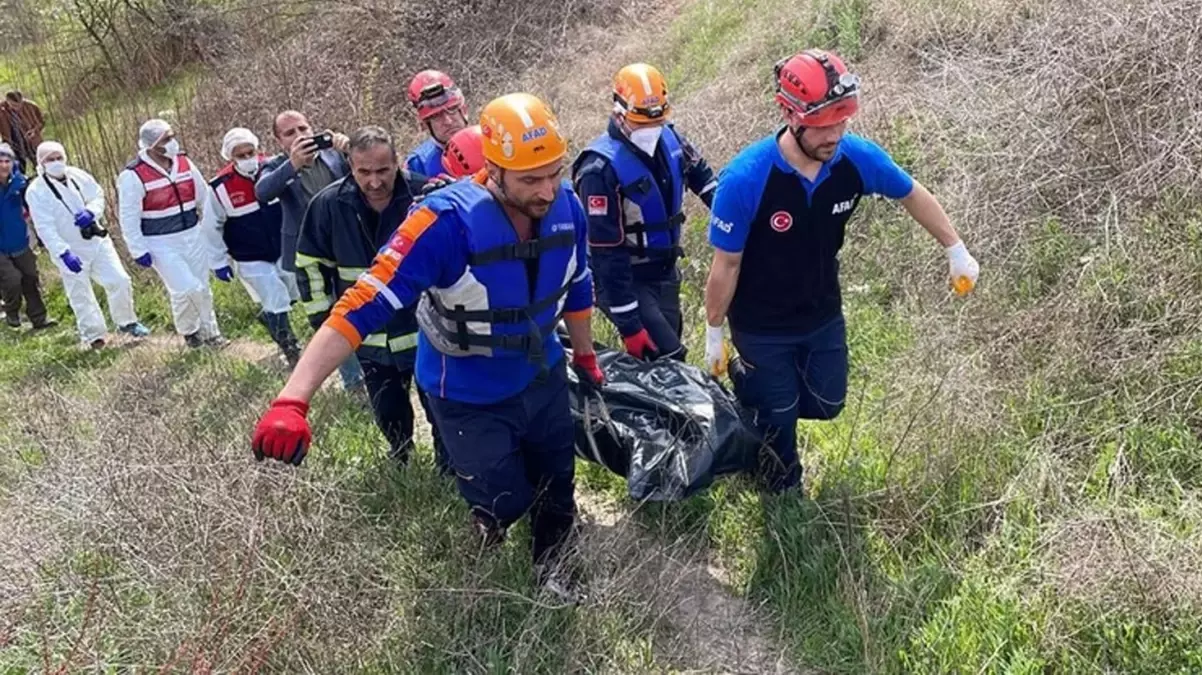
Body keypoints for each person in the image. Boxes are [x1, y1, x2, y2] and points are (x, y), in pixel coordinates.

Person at [250, 93, 605, 601]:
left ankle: (553, 572)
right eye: (531, 179)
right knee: (504, 496)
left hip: (540, 370)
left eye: (553, 172)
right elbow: (363, 301)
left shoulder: (567, 206)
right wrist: (293, 398)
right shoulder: (444, 223)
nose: (547, 190)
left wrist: (587, 356)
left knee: (558, 481)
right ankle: (489, 518)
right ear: (495, 169)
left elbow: (578, 285)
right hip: (467, 388)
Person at [703, 49, 981, 493]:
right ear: (791, 115)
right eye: (823, 124)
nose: (835, 134)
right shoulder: (745, 179)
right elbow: (726, 264)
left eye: (842, 121)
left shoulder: (854, 159)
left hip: (821, 311)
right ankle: (782, 485)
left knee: (828, 402)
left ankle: (756, 392)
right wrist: (715, 333)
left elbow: (911, 193)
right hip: (761, 323)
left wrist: (955, 248)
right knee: (779, 415)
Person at [290, 125, 445, 469]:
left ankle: (448, 466)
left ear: (397, 163)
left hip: (425, 335)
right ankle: (401, 457)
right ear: (350, 165)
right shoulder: (329, 205)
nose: (374, 182)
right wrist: (325, 322)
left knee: (441, 409)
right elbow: (310, 265)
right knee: (388, 410)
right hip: (369, 338)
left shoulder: (425, 196)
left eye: (382, 171)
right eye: (364, 172)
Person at [572, 63, 717, 362]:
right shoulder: (599, 171)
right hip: (623, 278)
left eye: (657, 123)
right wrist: (629, 325)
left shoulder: (672, 140)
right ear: (619, 112)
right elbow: (606, 254)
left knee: (667, 358)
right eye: (641, 124)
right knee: (669, 356)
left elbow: (706, 181)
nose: (650, 131)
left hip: (664, 269)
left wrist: (736, 219)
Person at [257, 110, 364, 390]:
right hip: (308, 254)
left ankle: (373, 364)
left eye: (303, 128)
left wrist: (349, 148)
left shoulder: (332, 155)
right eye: (290, 133)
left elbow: (368, 176)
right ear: (279, 141)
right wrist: (292, 165)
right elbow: (263, 192)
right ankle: (353, 380)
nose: (300, 136)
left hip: (347, 245)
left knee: (359, 304)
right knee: (330, 317)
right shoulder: (276, 166)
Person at [25, 141, 150, 348]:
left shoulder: (78, 175)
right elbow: (44, 226)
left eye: (59, 157)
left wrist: (91, 212)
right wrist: (63, 253)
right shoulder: (36, 191)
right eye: (50, 159)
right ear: (40, 163)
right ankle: (94, 335)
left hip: (96, 240)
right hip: (68, 247)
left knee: (119, 280)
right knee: (80, 293)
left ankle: (127, 322)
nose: (56, 162)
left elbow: (97, 195)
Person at [117, 118, 228, 348]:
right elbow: (128, 217)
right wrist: (138, 249)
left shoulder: (184, 163)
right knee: (186, 288)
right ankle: (189, 330)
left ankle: (210, 333)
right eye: (166, 139)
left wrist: (216, 227)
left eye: (172, 136)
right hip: (160, 241)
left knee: (203, 287)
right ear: (151, 145)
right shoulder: (134, 174)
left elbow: (204, 197)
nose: (172, 142)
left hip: (192, 232)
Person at [204, 127, 302, 366]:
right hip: (249, 255)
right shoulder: (220, 187)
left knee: (292, 293)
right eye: (241, 155)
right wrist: (218, 261)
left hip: (282, 247)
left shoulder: (275, 171)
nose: (248, 159)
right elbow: (211, 225)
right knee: (274, 296)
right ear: (230, 157)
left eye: (251, 152)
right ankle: (290, 347)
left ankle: (269, 319)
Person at [0, 142, 55, 330]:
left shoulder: (22, 185)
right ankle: (12, 310)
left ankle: (39, 319)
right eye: (0, 162)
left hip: (20, 242)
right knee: (12, 279)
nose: (4, 165)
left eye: (7, 161)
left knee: (30, 277)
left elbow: (35, 211)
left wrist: (41, 238)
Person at [403, 70, 469, 177]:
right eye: (437, 116)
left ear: (463, 109)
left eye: (452, 110)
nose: (448, 121)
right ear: (424, 124)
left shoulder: (490, 142)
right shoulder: (418, 165)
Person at [0, 90, 44, 175]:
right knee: (18, 165)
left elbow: (41, 122)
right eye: (14, 105)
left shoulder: (31, 106)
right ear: (7, 101)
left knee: (38, 161)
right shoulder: (2, 110)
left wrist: (34, 131)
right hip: (13, 141)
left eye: (20, 105)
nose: (17, 108)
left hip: (31, 140)